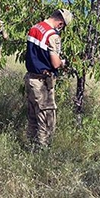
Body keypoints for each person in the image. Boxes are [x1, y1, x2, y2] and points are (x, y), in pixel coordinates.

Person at [24, 9, 72, 148]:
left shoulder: (35, 27)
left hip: (30, 78)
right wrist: (63, 62)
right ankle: (43, 150)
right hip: (42, 82)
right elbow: (55, 63)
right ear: (60, 24)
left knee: (33, 115)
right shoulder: (52, 36)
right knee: (46, 118)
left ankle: (30, 145)